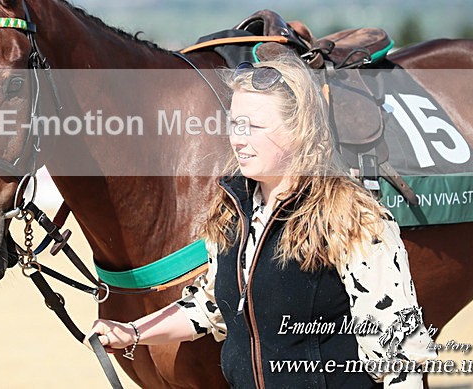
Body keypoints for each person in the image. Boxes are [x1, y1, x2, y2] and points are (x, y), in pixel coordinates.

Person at [88, 52, 435, 387]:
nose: (238, 139)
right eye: (235, 124)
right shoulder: (230, 213)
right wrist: (133, 332)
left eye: (254, 126)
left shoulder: (350, 218)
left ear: (298, 130)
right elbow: (209, 307)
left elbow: (402, 357)